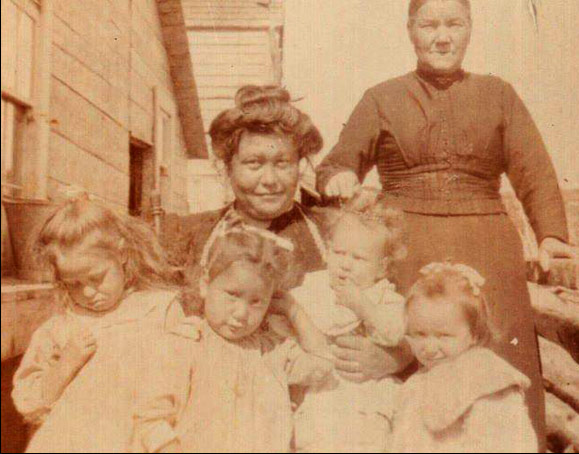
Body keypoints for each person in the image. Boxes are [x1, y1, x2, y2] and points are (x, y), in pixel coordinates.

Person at [316, 0, 579, 450]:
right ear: (410, 32)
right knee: (412, 348)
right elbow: (336, 163)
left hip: (487, 245)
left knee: (497, 361)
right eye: (429, 25)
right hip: (405, 244)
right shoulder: (382, 97)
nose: (442, 37)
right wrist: (338, 177)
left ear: (469, 31)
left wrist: (551, 236)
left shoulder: (499, 95)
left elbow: (535, 171)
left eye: (454, 24)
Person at [162, 85, 413, 389]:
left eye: (282, 163)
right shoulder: (189, 236)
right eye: (254, 164)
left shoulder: (334, 233)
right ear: (226, 168)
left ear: (299, 165)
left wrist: (396, 357)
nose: (269, 180)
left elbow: (411, 316)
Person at [12, 192, 189, 453]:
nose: (87, 292)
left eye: (97, 278)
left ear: (122, 255)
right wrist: (65, 366)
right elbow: (30, 406)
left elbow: (186, 382)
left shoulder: (158, 310)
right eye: (73, 284)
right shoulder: (59, 329)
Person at [133, 230, 332, 453]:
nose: (241, 313)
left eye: (256, 302)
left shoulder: (274, 351)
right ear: (205, 285)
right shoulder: (186, 342)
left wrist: (293, 310)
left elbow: (322, 363)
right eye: (232, 295)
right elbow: (150, 418)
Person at [286, 192, 407, 453]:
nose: (346, 265)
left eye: (359, 258)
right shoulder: (313, 286)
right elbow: (287, 324)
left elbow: (395, 334)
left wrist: (363, 306)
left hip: (368, 395)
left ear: (382, 267)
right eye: (339, 253)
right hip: (319, 392)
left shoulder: (385, 296)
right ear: (327, 251)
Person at [389, 262, 537, 452]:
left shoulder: (485, 379)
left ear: (474, 333)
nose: (430, 348)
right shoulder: (417, 383)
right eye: (420, 334)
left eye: (444, 335)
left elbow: (504, 442)